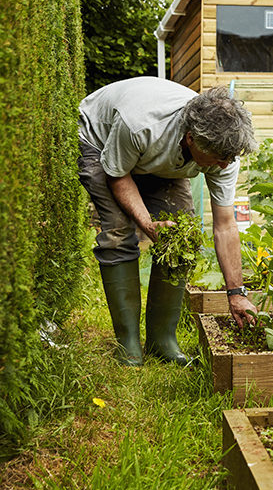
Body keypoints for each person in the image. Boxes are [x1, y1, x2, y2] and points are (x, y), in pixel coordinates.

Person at [78, 77, 258, 366]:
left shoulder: (223, 152)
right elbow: (118, 175)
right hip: (102, 143)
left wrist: (236, 293)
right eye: (219, 158)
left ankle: (162, 341)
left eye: (230, 158)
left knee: (180, 239)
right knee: (118, 233)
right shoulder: (140, 124)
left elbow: (225, 224)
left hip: (154, 156)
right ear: (191, 139)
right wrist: (148, 225)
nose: (225, 165)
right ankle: (129, 344)